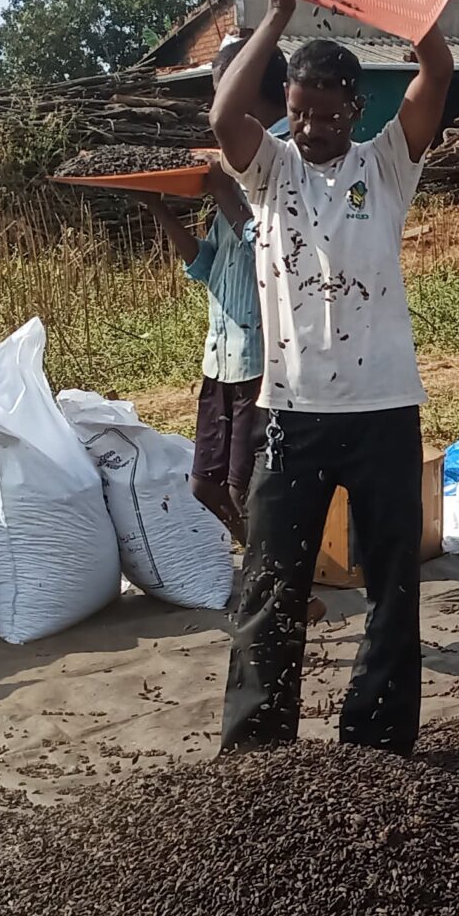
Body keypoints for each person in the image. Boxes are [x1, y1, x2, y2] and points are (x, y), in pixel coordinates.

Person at [208, 0, 453, 755]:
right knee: (270, 584)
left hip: (384, 412)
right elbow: (223, 118)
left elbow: (437, 73)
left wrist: (414, 8)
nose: (312, 128)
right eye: (299, 112)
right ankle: (257, 748)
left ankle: (377, 746)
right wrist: (274, 15)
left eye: (328, 113)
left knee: (393, 586)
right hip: (293, 415)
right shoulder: (269, 170)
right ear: (287, 107)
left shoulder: (385, 167)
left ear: (355, 107)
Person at [153, 33, 286, 545]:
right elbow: (208, 265)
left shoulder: (283, 162)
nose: (215, 108)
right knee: (205, 484)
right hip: (222, 358)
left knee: (242, 486)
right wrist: (158, 207)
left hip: (260, 359)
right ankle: (263, 563)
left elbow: (269, 247)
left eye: (222, 92)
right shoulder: (235, 168)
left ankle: (270, 571)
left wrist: (225, 191)